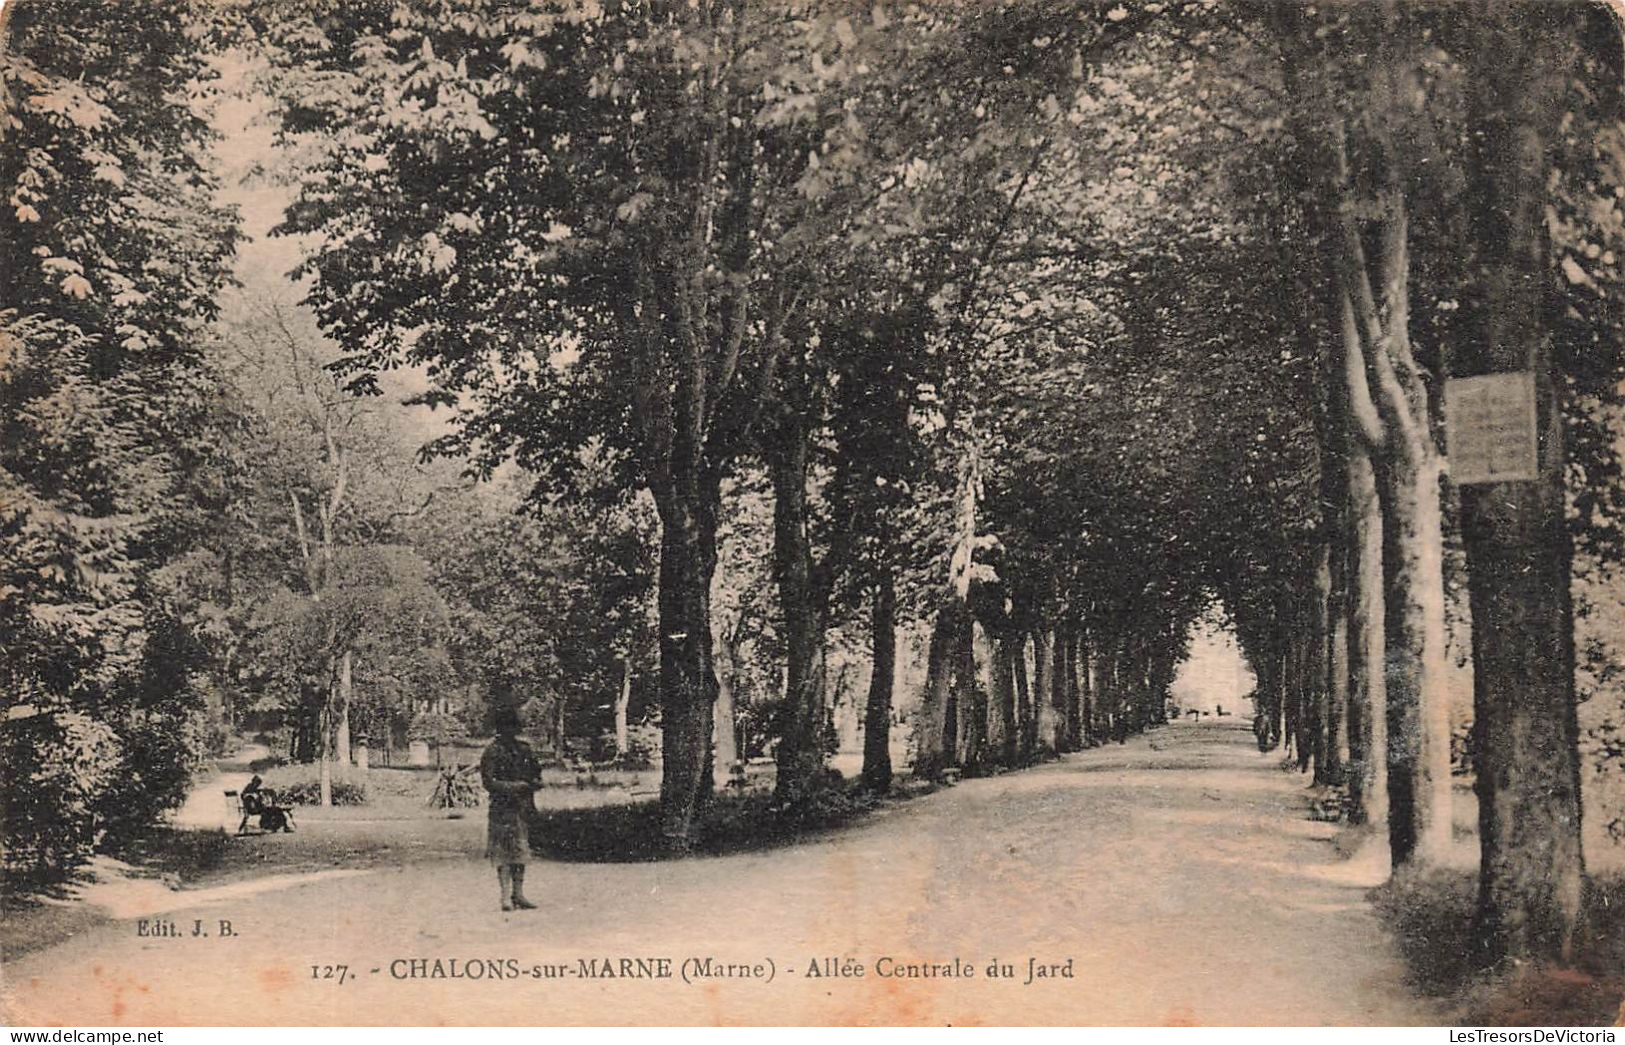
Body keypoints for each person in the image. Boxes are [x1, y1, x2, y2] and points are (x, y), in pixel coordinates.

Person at [479, 704, 542, 912]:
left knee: (521, 852)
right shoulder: (492, 751)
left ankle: (518, 893)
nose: (510, 731)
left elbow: (536, 774)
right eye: (506, 727)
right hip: (501, 809)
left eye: (513, 727)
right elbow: (489, 782)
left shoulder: (524, 749)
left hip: (522, 808)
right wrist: (515, 787)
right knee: (503, 853)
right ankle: (505, 895)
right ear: (499, 728)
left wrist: (534, 783)